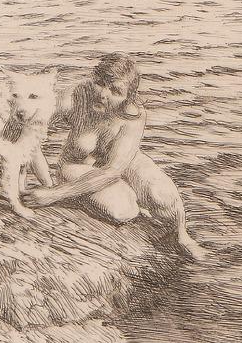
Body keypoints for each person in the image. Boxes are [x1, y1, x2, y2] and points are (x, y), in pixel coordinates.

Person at [21, 53, 205, 260]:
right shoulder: (76, 96)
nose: (103, 94)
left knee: (162, 195)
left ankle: (182, 236)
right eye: (100, 83)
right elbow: (28, 131)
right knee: (123, 210)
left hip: (116, 166)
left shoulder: (133, 115)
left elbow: (112, 170)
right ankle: (100, 202)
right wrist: (49, 187)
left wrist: (54, 194)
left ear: (129, 96)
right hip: (77, 166)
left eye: (115, 91)